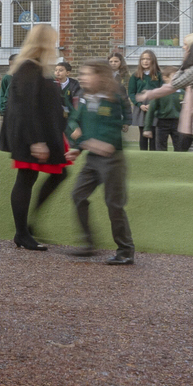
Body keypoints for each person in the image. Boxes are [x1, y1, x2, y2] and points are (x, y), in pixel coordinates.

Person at [2, 25, 70, 252]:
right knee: (26, 178)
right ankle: (23, 231)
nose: (55, 45)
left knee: (53, 174)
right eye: (52, 41)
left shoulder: (35, 67)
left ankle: (26, 228)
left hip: (39, 133)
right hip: (31, 135)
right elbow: (25, 108)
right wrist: (35, 141)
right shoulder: (29, 68)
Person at [66, 62, 135, 265]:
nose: (83, 78)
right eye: (81, 74)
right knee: (78, 195)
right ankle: (88, 244)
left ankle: (125, 251)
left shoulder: (113, 99)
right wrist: (78, 146)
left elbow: (113, 128)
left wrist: (89, 141)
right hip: (92, 160)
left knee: (114, 204)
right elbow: (74, 120)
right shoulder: (86, 99)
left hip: (112, 161)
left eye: (87, 74)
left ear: (101, 77)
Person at [128, 52, 167, 150]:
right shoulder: (135, 76)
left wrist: (154, 105)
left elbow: (163, 91)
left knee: (153, 133)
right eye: (143, 59)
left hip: (154, 107)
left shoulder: (159, 75)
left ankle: (153, 157)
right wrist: (139, 104)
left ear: (153, 60)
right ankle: (143, 156)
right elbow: (132, 93)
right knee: (143, 134)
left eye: (148, 59)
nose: (145, 61)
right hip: (141, 107)